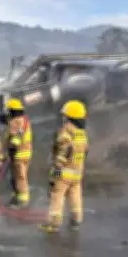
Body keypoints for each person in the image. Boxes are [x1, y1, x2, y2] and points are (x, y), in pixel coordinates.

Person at [41, 100, 88, 233]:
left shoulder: (65, 132)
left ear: (69, 117)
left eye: (65, 116)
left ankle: (53, 224)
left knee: (57, 196)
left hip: (64, 174)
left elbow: (62, 155)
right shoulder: (82, 134)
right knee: (75, 197)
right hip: (77, 174)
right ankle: (76, 220)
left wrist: (54, 175)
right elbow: (85, 152)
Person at [3, 98, 33, 208]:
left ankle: (23, 201)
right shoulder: (24, 120)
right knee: (17, 177)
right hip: (25, 153)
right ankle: (16, 197)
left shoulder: (15, 121)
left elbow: (17, 135)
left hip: (18, 154)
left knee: (20, 178)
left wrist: (13, 147)